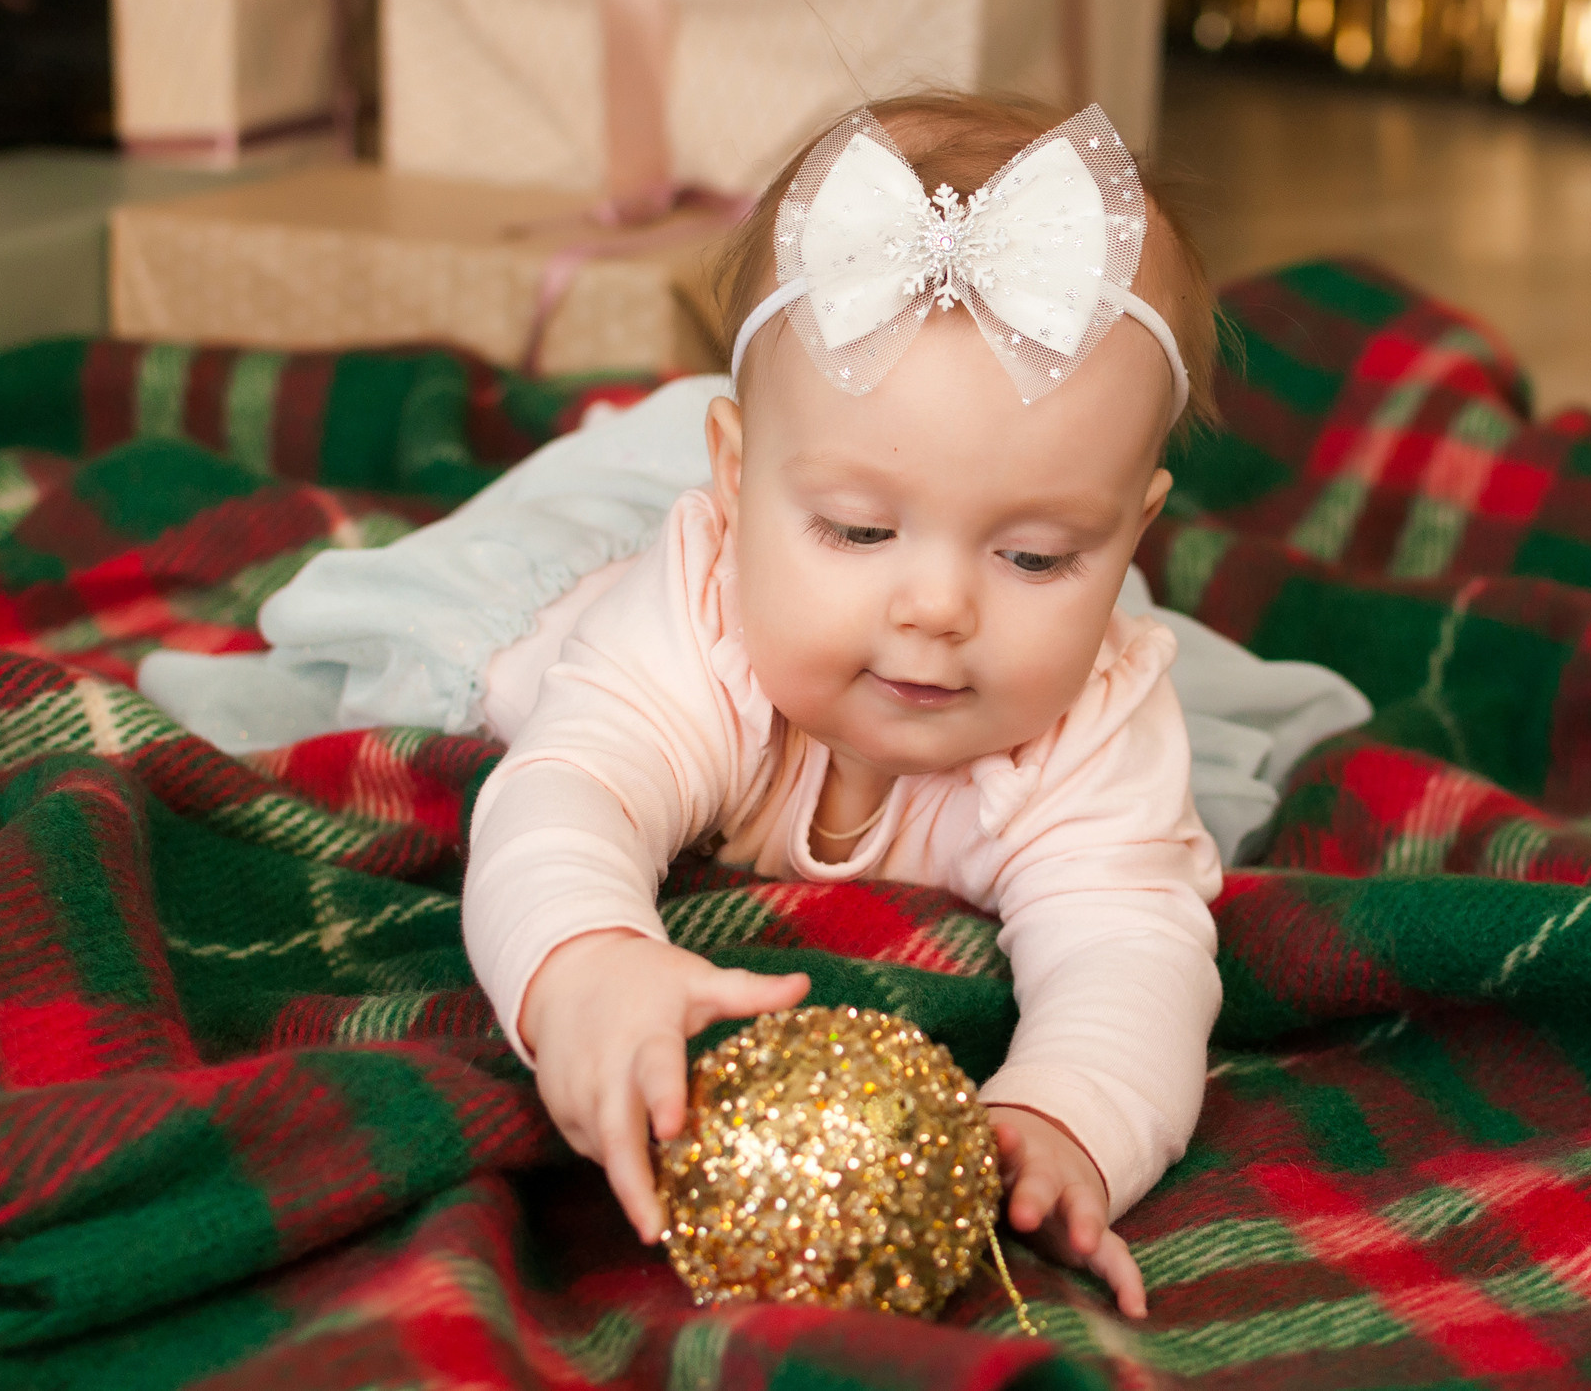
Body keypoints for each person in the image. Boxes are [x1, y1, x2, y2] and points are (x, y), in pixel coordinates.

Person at [468, 94, 1229, 1318]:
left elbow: (1132, 948)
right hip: (579, 620)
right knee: (515, 685)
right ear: (731, 486)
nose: (935, 606)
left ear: (1134, 532)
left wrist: (1065, 1112)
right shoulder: (697, 625)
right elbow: (569, 791)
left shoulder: (1089, 724)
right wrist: (584, 960)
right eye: (859, 530)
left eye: (1036, 557)